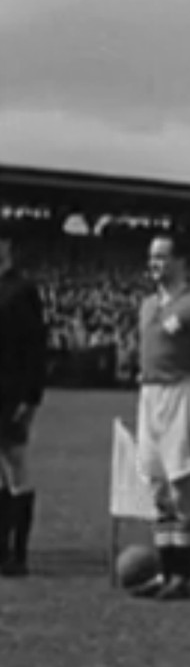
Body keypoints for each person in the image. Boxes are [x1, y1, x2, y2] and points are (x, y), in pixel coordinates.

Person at [128, 234, 190, 599]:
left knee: (181, 488)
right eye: (151, 257)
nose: (155, 264)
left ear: (181, 262)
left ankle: (183, 575)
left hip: (182, 393)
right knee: (157, 487)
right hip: (150, 395)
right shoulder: (148, 305)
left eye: (162, 257)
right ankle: (165, 573)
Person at [0, 223, 48, 577]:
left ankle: (19, 552)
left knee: (15, 465)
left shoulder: (22, 290)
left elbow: (35, 349)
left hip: (10, 392)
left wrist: (30, 399)